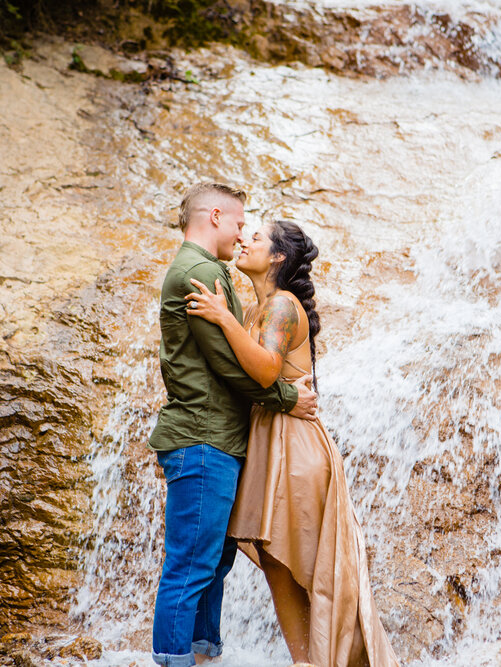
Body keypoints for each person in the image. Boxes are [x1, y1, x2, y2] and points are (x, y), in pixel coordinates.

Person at [185, 219, 401, 667]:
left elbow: (265, 371)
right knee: (275, 553)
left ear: (278, 256)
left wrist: (223, 316)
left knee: (303, 561)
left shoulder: (282, 306)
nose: (244, 240)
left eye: (256, 237)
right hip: (272, 441)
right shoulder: (258, 309)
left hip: (296, 446)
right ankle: (307, 661)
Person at [148, 184, 319, 667]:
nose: (242, 234)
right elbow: (233, 365)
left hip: (222, 440)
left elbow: (241, 360)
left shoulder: (230, 282)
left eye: (253, 232)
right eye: (241, 224)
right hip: (204, 439)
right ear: (217, 216)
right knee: (192, 565)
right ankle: (178, 660)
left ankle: (204, 657)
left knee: (213, 563)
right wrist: (289, 398)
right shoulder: (201, 272)